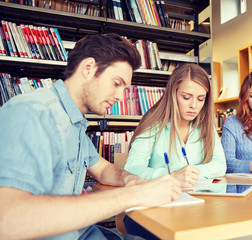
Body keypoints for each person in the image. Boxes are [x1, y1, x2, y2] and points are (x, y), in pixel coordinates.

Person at [0, 33, 182, 240]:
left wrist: (132, 180)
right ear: (88, 68)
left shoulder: (74, 123)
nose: (120, 96)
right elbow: (8, 219)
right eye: (116, 83)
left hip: (85, 233)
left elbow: (104, 170)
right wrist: (134, 195)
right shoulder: (33, 113)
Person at [124, 63, 226, 186]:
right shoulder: (153, 122)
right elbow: (132, 167)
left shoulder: (205, 123)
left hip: (197, 196)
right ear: (173, 93)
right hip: (159, 196)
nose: (194, 105)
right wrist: (172, 176)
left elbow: (220, 164)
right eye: (186, 97)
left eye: (200, 99)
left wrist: (190, 174)